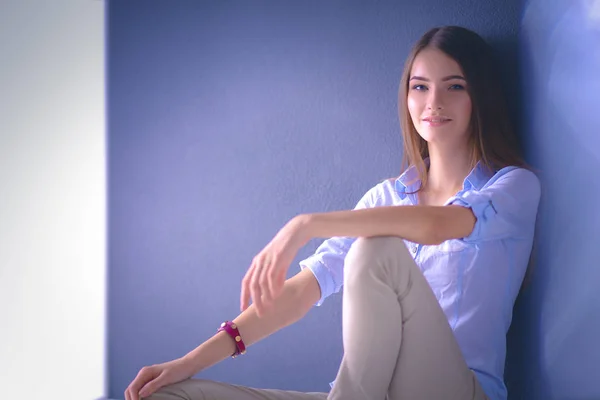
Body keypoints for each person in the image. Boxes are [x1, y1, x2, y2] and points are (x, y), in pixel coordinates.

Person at [124, 25, 541, 400]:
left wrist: (305, 225)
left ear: (479, 96)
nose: (433, 102)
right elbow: (299, 293)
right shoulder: (385, 197)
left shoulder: (513, 188)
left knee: (373, 252)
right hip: (367, 391)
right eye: (419, 87)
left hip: (457, 391)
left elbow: (438, 225)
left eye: (454, 87)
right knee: (170, 396)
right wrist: (187, 364)